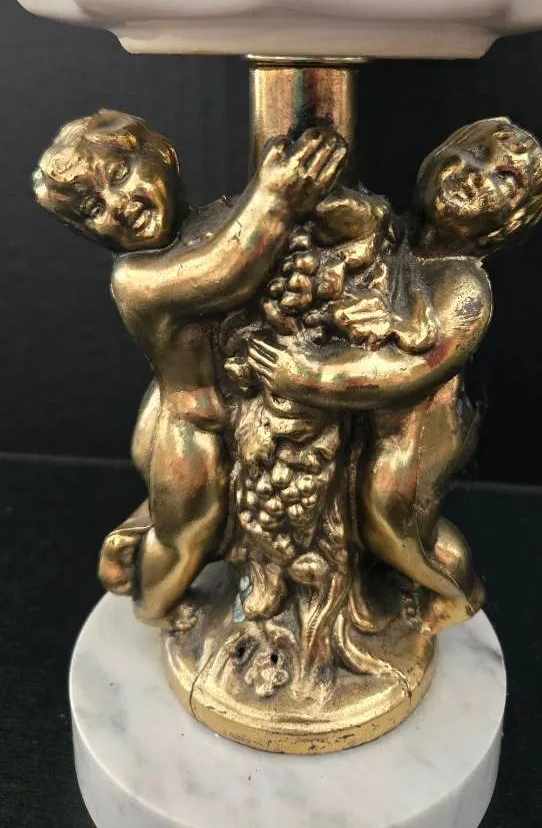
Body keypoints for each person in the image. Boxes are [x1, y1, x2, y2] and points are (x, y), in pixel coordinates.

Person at [33, 109, 346, 628]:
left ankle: (137, 534)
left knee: (207, 518)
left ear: (163, 154)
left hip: (225, 416)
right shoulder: (136, 280)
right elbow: (222, 271)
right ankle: (152, 604)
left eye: (119, 174)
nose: (117, 205)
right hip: (191, 429)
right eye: (93, 209)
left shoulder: (210, 221)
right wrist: (274, 197)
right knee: (189, 530)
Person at [248, 118, 542, 628]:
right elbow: (355, 221)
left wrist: (306, 376)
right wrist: (303, 199)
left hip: (416, 435)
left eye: (505, 179)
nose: (477, 174)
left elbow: (403, 371)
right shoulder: (396, 233)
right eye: (474, 153)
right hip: (364, 423)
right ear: (437, 158)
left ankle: (457, 590)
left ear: (508, 224)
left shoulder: (464, 289)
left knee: (390, 520)